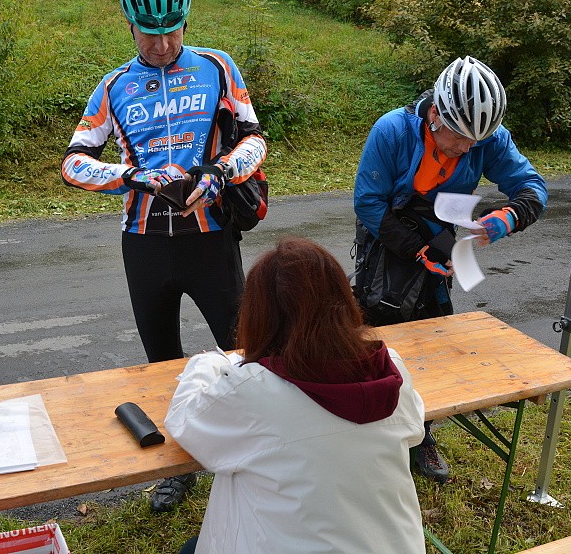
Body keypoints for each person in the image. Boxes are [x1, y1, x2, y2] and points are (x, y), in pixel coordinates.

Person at [60, 0, 266, 512]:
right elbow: (74, 163)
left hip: (210, 237)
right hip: (145, 243)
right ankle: (180, 467)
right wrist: (132, 177)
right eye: (149, 33)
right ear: (130, 26)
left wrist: (218, 174)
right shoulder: (114, 86)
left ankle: (250, 456)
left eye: (172, 30)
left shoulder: (217, 67)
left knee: (241, 351)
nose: (162, 44)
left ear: (185, 22)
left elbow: (254, 140)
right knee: (162, 363)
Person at [352, 55, 548, 483]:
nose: (468, 148)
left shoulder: (486, 139)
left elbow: (532, 187)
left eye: (478, 140)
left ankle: (421, 433)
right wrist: (415, 249)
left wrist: (508, 217)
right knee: (378, 330)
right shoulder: (392, 130)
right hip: (388, 234)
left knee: (433, 332)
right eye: (460, 137)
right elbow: (367, 202)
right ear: (436, 114)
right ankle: (369, 433)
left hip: (440, 235)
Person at [165, 237, 427, 553]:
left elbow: (185, 421)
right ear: (344, 300)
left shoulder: (253, 390)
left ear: (258, 313)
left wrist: (207, 364)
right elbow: (414, 429)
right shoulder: (390, 368)